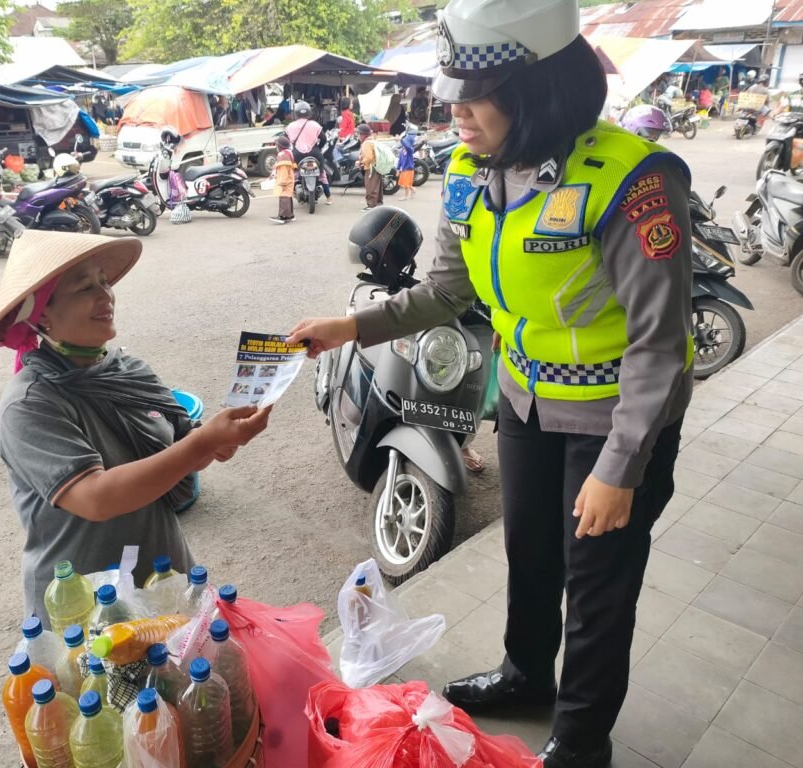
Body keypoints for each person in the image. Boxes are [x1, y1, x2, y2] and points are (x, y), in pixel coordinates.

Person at [288, 0, 693, 765]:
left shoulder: (633, 181)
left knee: (598, 590)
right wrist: (350, 326)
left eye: (476, 96)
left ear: (538, 90)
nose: (455, 111)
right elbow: (446, 291)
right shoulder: (474, 171)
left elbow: (660, 346)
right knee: (530, 553)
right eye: (452, 93)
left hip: (614, 421)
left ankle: (580, 741)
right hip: (525, 404)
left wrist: (621, 467)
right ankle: (527, 675)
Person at [0, 231, 271, 624]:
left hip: (163, 580)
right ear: (41, 315)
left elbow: (183, 452)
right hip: (84, 605)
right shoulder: (30, 404)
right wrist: (203, 442)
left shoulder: (129, 369)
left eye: (103, 280)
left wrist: (216, 444)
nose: (106, 296)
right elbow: (96, 498)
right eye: (84, 286)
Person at [285, 101, 332, 205]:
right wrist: (318, 148)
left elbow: (285, 141)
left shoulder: (290, 126)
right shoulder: (314, 125)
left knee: (293, 174)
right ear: (309, 113)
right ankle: (329, 197)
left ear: (296, 113)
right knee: (322, 175)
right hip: (315, 154)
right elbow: (323, 139)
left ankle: (291, 193)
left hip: (297, 155)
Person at [356, 124, 382, 211]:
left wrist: (360, 162)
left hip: (371, 168)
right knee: (376, 186)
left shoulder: (366, 143)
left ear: (363, 135)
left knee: (370, 187)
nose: (358, 136)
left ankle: (371, 206)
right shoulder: (371, 140)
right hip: (376, 166)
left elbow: (369, 157)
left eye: (359, 134)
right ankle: (378, 203)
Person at [270, 135, 295, 224]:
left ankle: (283, 216)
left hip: (285, 179)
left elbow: (283, 170)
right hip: (290, 177)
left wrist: (282, 182)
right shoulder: (288, 153)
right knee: (288, 196)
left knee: (283, 196)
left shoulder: (282, 155)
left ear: (280, 146)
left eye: (277, 145)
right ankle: (290, 215)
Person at [397, 127, 417, 201]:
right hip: (404, 168)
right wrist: (398, 168)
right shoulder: (402, 150)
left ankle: (405, 196)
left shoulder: (410, 149)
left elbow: (407, 146)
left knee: (406, 183)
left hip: (409, 168)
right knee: (405, 182)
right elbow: (400, 160)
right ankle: (413, 190)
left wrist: (401, 139)